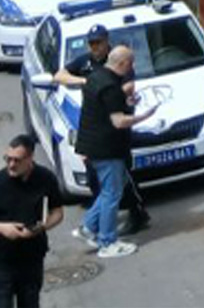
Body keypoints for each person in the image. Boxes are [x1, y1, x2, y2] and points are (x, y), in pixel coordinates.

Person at [73, 46, 157, 258]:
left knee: (109, 191)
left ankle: (88, 227)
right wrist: (144, 116)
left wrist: (127, 102)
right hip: (107, 148)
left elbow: (104, 108)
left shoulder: (95, 77)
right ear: (122, 63)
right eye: (130, 63)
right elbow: (118, 121)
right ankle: (107, 242)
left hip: (92, 146)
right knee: (112, 194)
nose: (132, 67)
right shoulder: (110, 86)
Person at [0, 134, 65, 308]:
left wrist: (41, 227)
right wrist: (2, 229)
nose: (11, 165)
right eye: (8, 159)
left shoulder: (45, 179)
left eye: (17, 160)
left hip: (31, 260)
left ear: (30, 158)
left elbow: (57, 212)